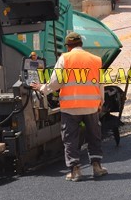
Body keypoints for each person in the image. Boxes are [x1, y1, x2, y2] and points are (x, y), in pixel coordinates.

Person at [31, 32, 108, 181]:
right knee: (94, 136)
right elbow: (100, 84)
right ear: (81, 44)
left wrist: (42, 88)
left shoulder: (65, 58)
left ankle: (75, 171)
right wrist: (100, 102)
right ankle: (97, 167)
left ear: (68, 46)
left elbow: (56, 82)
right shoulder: (95, 60)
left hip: (70, 107)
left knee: (70, 138)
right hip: (91, 106)